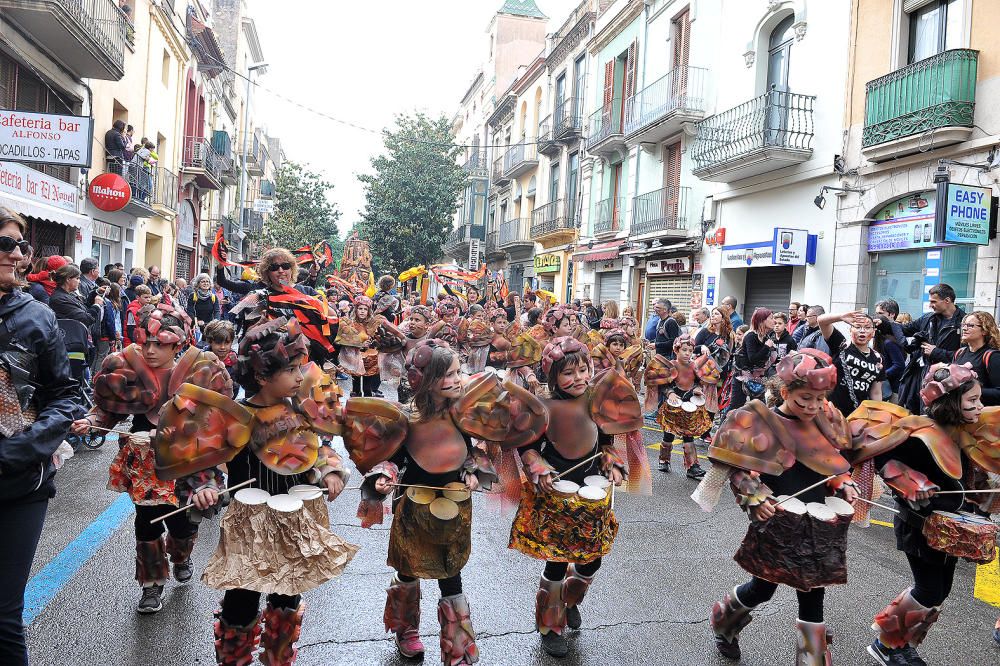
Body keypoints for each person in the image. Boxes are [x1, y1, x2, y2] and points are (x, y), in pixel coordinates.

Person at [193, 318, 355, 665]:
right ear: (263, 376)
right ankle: (234, 658)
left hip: (294, 520)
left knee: (287, 598)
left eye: (301, 368)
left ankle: (278, 658)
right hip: (248, 524)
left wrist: (331, 471)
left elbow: (320, 449)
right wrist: (206, 486)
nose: (301, 377)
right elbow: (208, 461)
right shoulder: (236, 416)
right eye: (292, 369)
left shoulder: (302, 410)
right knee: (241, 598)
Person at [71, 302, 232, 614]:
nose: (151, 350)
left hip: (187, 459)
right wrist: (91, 421)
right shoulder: (126, 366)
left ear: (179, 343)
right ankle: (151, 584)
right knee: (146, 524)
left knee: (183, 523)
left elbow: (217, 422)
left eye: (161, 344)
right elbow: (107, 408)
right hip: (144, 461)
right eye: (146, 343)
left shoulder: (201, 370)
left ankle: (182, 554)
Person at [700, 349, 856, 664]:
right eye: (804, 399)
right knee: (762, 588)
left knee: (813, 593)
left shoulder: (824, 418)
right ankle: (725, 620)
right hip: (777, 520)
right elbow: (736, 467)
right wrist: (753, 494)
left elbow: (834, 463)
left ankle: (811, 660)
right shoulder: (760, 420)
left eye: (819, 398)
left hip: (817, 524)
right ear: (784, 392)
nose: (812, 406)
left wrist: (844, 482)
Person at [359, 340, 503, 664]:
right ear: (425, 382)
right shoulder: (405, 420)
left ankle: (458, 647)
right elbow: (390, 459)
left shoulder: (463, 416)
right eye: (448, 375)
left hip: (454, 513)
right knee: (408, 571)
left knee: (452, 575)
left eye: (458, 372)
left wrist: (473, 472)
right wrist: (384, 476)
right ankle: (405, 629)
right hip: (413, 510)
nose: (456, 379)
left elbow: (477, 455)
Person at [856, 364, 993, 665]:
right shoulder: (918, 433)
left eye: (979, 400)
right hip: (920, 528)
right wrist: (910, 482)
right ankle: (885, 644)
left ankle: (901, 642)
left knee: (940, 590)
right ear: (949, 402)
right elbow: (884, 458)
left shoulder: (962, 431)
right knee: (929, 589)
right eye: (972, 401)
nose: (979, 407)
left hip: (952, 529)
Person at [509, 336, 635, 658]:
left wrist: (613, 462)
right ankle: (550, 624)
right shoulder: (543, 407)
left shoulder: (596, 400)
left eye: (583, 370)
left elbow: (607, 441)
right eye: (568, 373)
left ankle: (569, 599)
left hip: (592, 493)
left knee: (593, 558)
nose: (577, 378)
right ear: (553, 377)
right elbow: (527, 446)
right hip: (556, 492)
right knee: (557, 559)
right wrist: (537, 465)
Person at [0, 209, 78, 665]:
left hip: (20, 481)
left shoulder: (38, 315)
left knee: (4, 614)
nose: (16, 254)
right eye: (4, 244)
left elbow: (65, 394)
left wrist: (23, 448)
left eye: (20, 245)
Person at [898, 284, 965, 414]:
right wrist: (883, 322)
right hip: (922, 376)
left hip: (947, 382)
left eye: (933, 301)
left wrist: (936, 352)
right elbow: (904, 329)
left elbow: (965, 355)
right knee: (915, 413)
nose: (930, 305)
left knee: (937, 416)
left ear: (947, 300)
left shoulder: (964, 323)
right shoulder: (928, 318)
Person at [654, 335, 712, 479]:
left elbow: (699, 382)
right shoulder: (671, 365)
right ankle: (664, 459)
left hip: (689, 406)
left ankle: (692, 466)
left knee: (689, 435)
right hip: (673, 406)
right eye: (684, 350)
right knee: (668, 435)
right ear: (676, 350)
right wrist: (670, 393)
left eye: (690, 350)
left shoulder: (694, 366)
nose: (687, 353)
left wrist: (698, 389)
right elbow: (663, 384)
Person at [817, 311, 884, 416]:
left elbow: (876, 392)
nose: (862, 331)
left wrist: (876, 415)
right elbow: (821, 321)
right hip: (831, 411)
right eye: (857, 327)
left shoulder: (878, 358)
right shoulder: (841, 345)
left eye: (867, 328)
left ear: (873, 332)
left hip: (858, 415)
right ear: (850, 330)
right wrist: (841, 316)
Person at [730, 309, 776, 410]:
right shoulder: (751, 336)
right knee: (735, 407)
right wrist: (767, 347)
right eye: (771, 318)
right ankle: (725, 425)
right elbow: (753, 358)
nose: (774, 321)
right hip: (742, 378)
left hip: (757, 379)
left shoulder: (765, 337)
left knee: (758, 408)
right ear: (762, 320)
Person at [953, 311, 1000, 405]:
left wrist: (969, 390)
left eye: (970, 325)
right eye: (964, 325)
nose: (964, 328)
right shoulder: (959, 353)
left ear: (984, 330)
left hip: (982, 415)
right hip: (959, 413)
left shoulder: (992, 356)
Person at [48, 264, 104, 328]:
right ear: (68, 279)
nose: (79, 282)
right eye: (77, 278)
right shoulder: (60, 299)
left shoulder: (69, 294)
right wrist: (96, 305)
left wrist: (96, 293)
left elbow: (84, 306)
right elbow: (85, 319)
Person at [201, 319, 238, 389]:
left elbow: (237, 384)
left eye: (227, 343)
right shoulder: (202, 357)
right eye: (218, 343)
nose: (222, 347)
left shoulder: (234, 360)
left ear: (232, 342)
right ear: (210, 341)